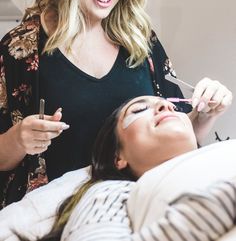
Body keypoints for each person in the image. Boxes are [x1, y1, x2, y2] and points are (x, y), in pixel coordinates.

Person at [0, 0, 232, 209]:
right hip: (57, 218)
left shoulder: (139, 39)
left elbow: (175, 137)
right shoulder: (22, 49)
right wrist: (19, 140)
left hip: (140, 208)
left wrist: (205, 114)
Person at [1, 96, 236, 241]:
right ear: (118, 157)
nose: (166, 104)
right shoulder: (106, 195)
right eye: (138, 110)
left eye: (172, 106)